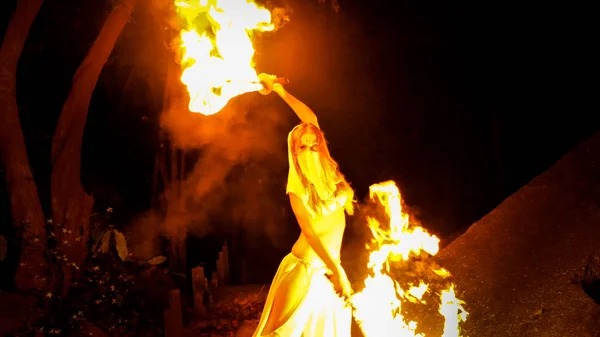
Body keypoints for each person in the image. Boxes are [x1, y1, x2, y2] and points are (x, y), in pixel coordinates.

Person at [252, 81, 356, 337]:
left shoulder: (327, 171)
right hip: (304, 269)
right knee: (276, 334)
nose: (310, 150)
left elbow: (310, 117)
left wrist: (279, 89)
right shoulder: (296, 186)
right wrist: (338, 271)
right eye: (302, 147)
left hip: (327, 270)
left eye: (314, 145)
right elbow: (310, 233)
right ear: (294, 151)